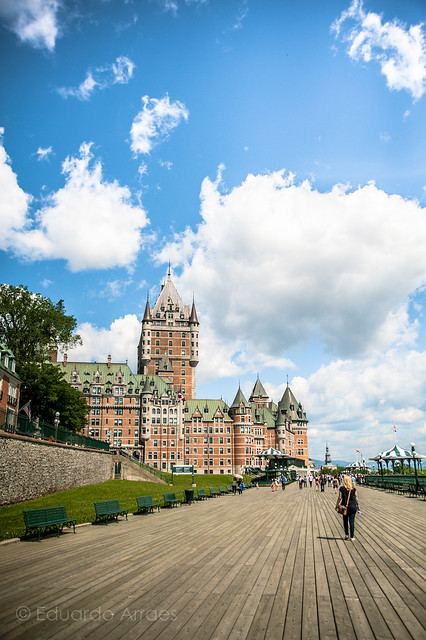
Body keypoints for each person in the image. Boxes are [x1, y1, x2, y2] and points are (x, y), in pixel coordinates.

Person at [335, 475, 360, 541]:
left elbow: (340, 497)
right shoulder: (354, 489)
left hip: (344, 506)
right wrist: (358, 505)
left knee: (345, 521)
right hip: (352, 506)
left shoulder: (342, 488)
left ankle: (346, 535)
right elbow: (356, 498)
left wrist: (337, 505)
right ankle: (352, 536)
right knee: (352, 521)